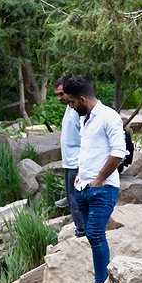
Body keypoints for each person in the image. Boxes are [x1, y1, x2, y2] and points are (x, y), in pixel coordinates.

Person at [62, 75, 126, 283]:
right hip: (83, 186)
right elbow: (88, 150)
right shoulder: (84, 119)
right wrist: (80, 175)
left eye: (71, 102)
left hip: (103, 188)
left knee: (96, 234)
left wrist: (99, 179)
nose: (70, 106)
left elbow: (119, 152)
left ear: (82, 99)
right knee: (92, 235)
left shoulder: (109, 116)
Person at [54, 78, 86, 238]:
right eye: (57, 95)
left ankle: (82, 231)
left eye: (61, 94)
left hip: (76, 161)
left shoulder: (78, 110)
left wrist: (82, 165)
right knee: (70, 196)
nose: (59, 98)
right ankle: (80, 227)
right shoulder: (69, 108)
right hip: (68, 161)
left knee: (75, 199)